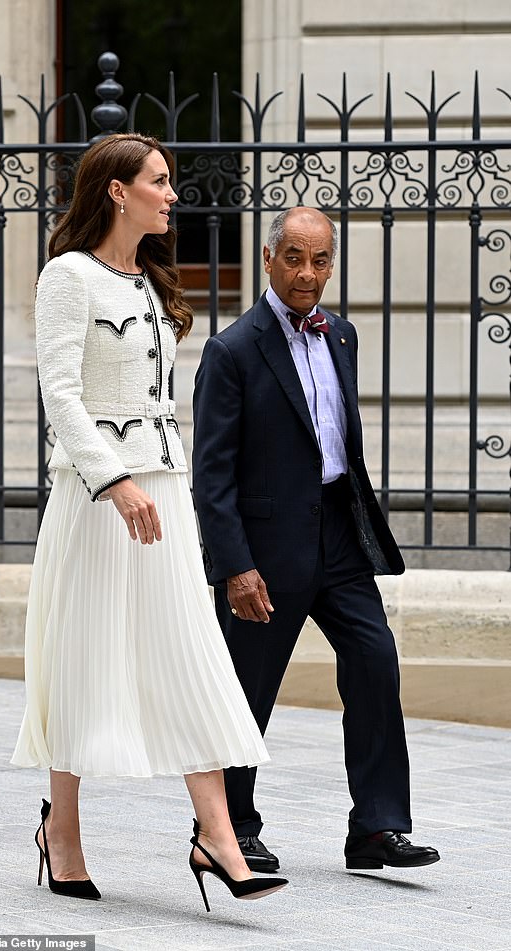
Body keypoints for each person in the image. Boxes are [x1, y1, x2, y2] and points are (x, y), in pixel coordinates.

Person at [10, 133, 287, 911]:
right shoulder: (68, 277)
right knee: (81, 655)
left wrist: (156, 485)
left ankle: (218, 836)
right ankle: (60, 832)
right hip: (101, 499)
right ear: (115, 191)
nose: (172, 194)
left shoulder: (151, 282)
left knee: (187, 651)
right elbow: (61, 394)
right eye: (159, 182)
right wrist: (114, 479)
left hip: (163, 492)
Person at [192, 206, 440, 874]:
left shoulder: (342, 336)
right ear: (269, 258)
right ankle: (229, 828)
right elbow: (210, 475)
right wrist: (234, 566)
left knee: (374, 660)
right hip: (265, 549)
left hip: (337, 534)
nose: (307, 273)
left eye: (320, 259)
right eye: (295, 257)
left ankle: (377, 826)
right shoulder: (233, 350)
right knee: (245, 689)